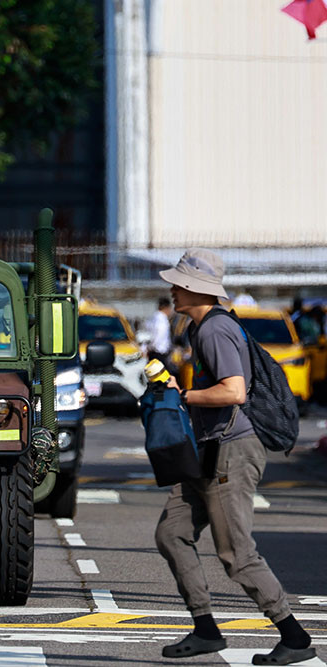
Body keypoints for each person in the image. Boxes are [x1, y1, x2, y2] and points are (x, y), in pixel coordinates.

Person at [155, 249, 315, 664]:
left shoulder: (214, 330)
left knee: (236, 553)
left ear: (194, 288)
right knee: (172, 533)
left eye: (177, 283)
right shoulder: (198, 329)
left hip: (233, 448)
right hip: (208, 447)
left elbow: (234, 391)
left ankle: (293, 635)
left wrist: (182, 394)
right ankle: (206, 629)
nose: (171, 289)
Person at [145, 296, 176, 375]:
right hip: (159, 353)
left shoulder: (153, 317)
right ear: (166, 307)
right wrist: (154, 347)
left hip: (153, 352)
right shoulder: (161, 320)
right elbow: (159, 336)